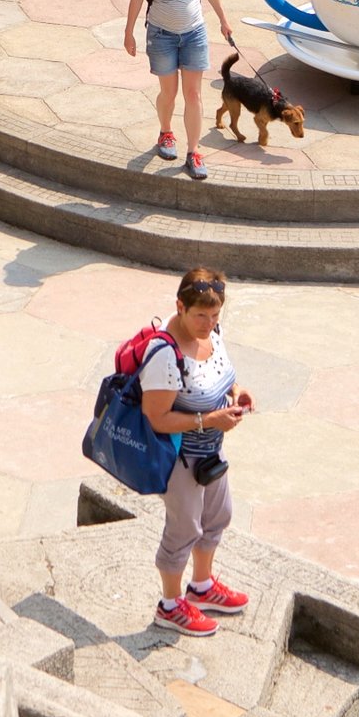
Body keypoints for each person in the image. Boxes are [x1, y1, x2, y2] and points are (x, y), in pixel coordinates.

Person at [136, 268, 254, 636]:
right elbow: (156, 418)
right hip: (179, 460)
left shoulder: (212, 333)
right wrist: (208, 420)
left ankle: (201, 587)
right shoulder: (164, 355)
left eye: (216, 314)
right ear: (180, 307)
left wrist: (236, 391)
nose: (209, 323)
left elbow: (220, 371)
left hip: (209, 453)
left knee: (218, 516)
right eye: (201, 315)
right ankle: (169, 606)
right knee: (183, 529)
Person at [123, 0, 237, 182]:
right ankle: (165, 132)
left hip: (194, 33)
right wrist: (129, 32)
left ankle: (193, 152)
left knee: (194, 94)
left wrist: (223, 19)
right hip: (162, 34)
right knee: (169, 93)